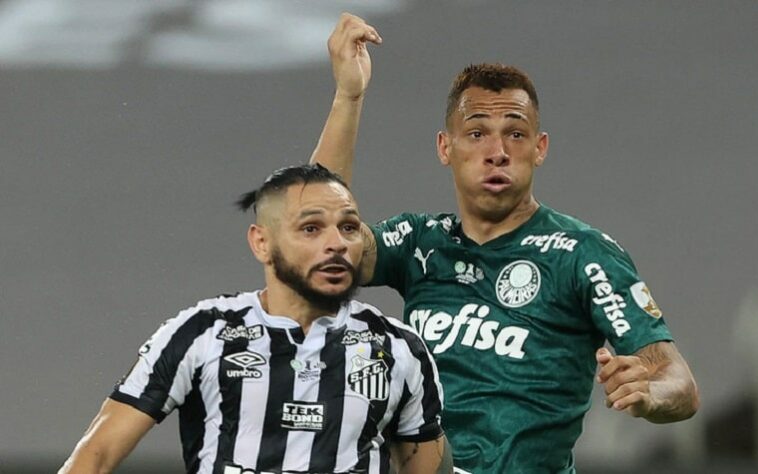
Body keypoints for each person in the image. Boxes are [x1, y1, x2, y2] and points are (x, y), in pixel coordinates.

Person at [308, 13, 700, 474]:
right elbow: (317, 236)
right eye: (477, 133)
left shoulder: (582, 254)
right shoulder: (419, 243)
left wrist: (651, 394)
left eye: (516, 133)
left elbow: (681, 384)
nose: (498, 151)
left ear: (540, 147)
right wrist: (349, 96)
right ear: (445, 147)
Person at [59, 164, 453, 474]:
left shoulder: (399, 350)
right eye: (311, 228)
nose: (336, 243)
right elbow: (93, 458)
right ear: (261, 243)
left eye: (348, 227)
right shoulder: (203, 334)